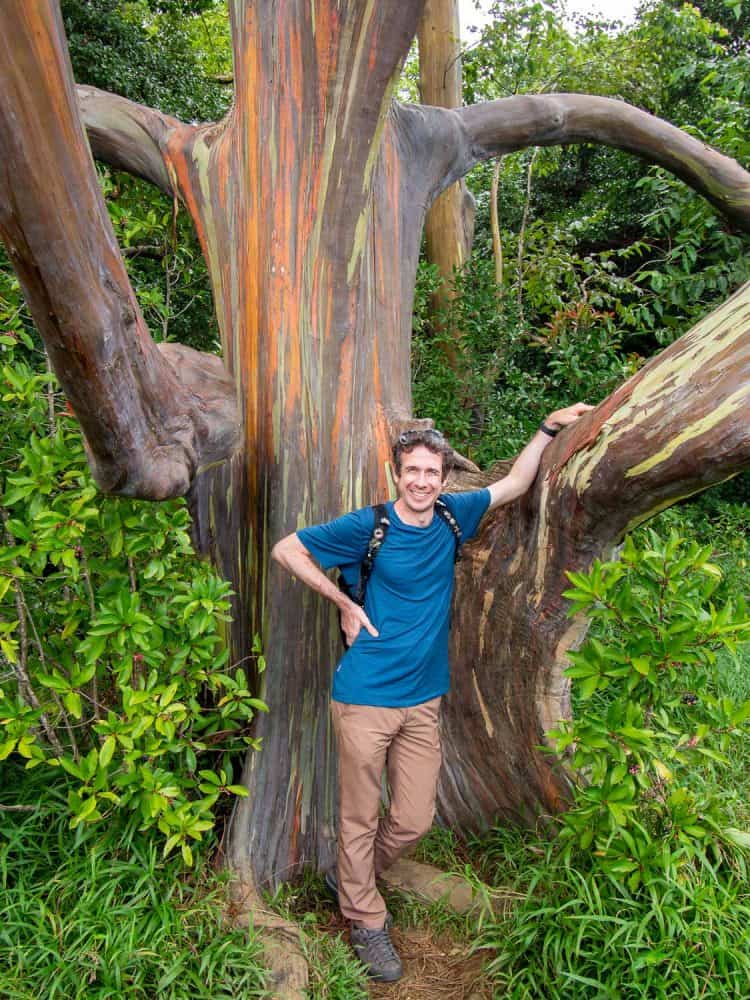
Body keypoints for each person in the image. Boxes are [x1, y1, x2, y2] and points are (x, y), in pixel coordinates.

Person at [271, 403, 591, 981]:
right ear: (397, 473)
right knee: (360, 814)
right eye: (412, 471)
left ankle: (352, 876)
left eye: (431, 473)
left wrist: (547, 425)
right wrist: (344, 602)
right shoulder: (367, 526)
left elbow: (516, 484)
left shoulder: (453, 516)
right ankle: (365, 918)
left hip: (422, 699)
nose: (421, 482)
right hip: (365, 694)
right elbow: (287, 549)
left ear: (444, 478)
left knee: (415, 817)